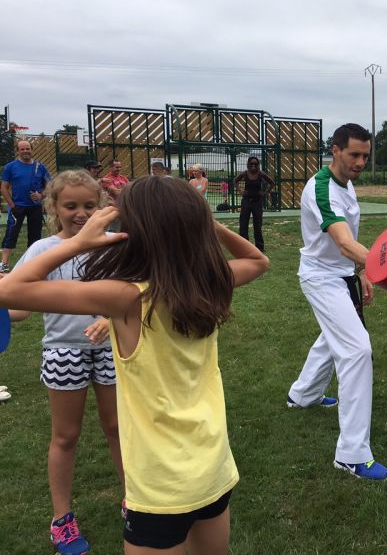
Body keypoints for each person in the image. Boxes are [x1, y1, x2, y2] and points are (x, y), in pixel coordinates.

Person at [0, 176, 269, 553]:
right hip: (213, 468)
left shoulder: (126, 297)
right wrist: (206, 222)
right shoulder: (210, 282)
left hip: (160, 483)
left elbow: (8, 290)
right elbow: (258, 260)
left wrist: (76, 243)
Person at [5, 170, 123, 554]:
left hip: (110, 352)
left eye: (90, 205)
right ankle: (62, 519)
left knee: (119, 428)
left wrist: (110, 318)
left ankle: (135, 501)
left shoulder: (113, 246)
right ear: (53, 206)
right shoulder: (42, 251)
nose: (81, 213)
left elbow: (130, 297)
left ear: (102, 206)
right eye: (71, 205)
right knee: (66, 436)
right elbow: (21, 307)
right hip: (64, 352)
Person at [286, 123, 387, 482]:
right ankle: (351, 455)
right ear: (335, 150)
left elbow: (349, 245)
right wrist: (380, 266)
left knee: (334, 337)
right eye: (354, 154)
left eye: (366, 155)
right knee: (357, 350)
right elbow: (345, 242)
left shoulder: (346, 184)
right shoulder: (321, 188)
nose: (361, 161)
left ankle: (302, 395)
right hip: (320, 278)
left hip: (341, 275)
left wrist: (361, 273)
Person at [1, 139, 51, 273]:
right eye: (22, 149)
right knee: (11, 234)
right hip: (18, 207)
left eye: (27, 148)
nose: (25, 151)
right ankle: (4, 263)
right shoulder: (10, 167)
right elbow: (4, 188)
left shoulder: (40, 166)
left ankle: (31, 263)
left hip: (35, 207)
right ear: (18, 151)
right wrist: (12, 205)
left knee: (35, 235)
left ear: (32, 149)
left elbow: (50, 186)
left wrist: (41, 195)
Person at [234, 157, 275, 253]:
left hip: (257, 202)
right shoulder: (245, 173)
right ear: (248, 164)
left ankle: (259, 247)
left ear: (258, 165)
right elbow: (235, 180)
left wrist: (265, 193)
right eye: (251, 164)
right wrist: (240, 191)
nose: (253, 166)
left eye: (255, 164)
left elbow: (272, 183)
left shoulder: (261, 174)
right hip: (246, 201)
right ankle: (244, 246)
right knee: (243, 224)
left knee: (258, 225)